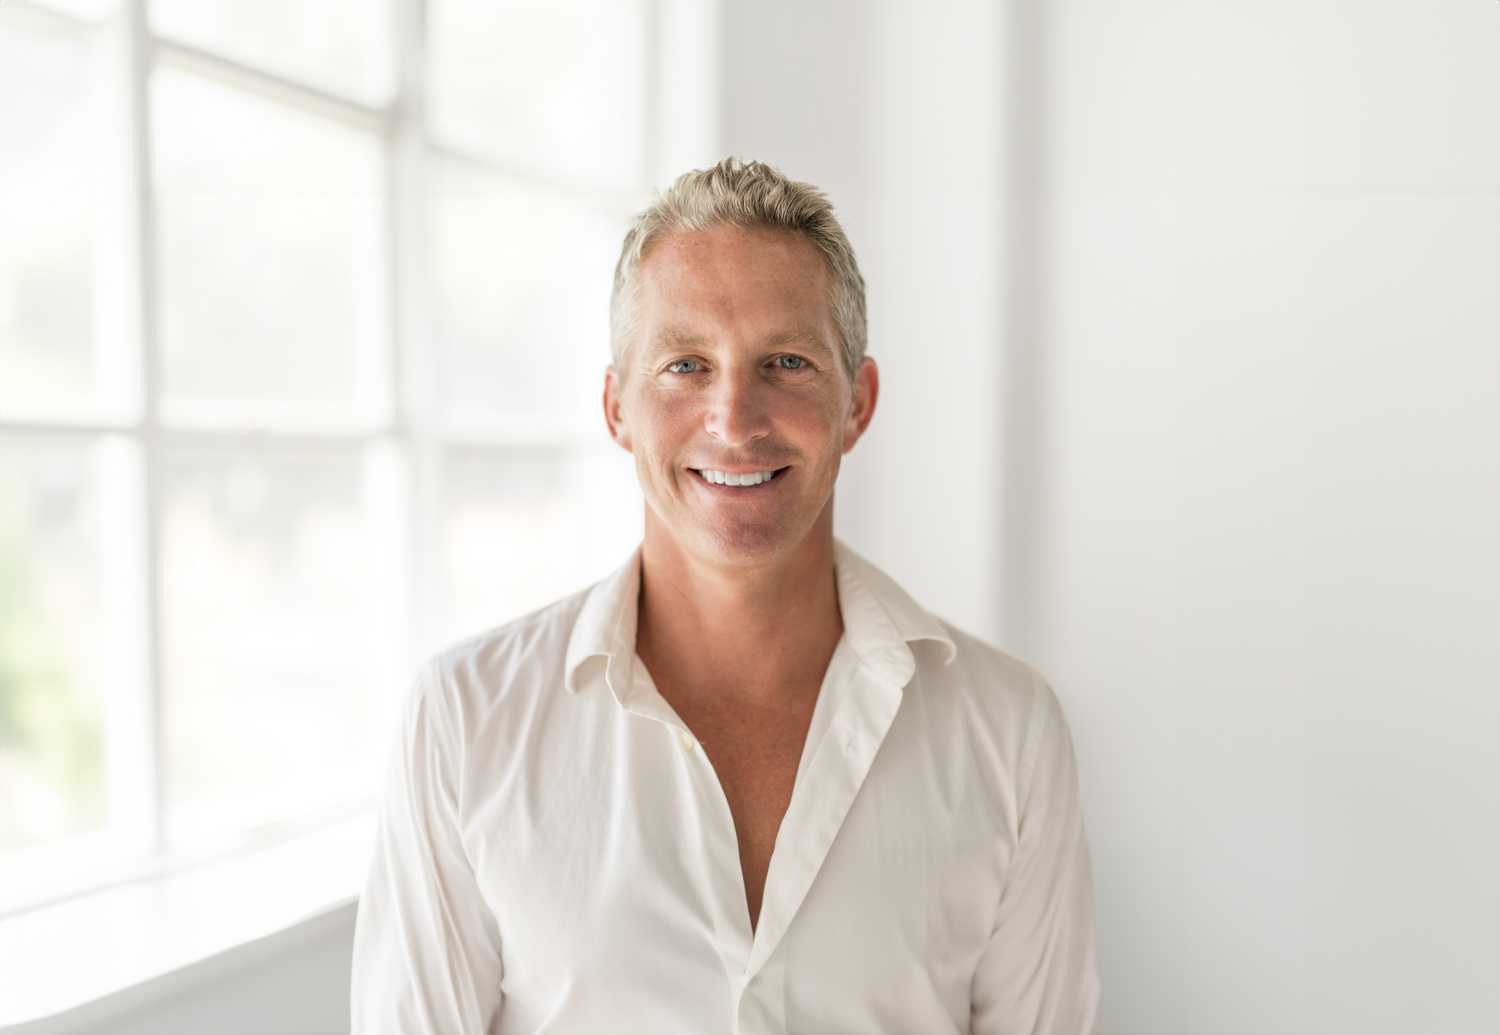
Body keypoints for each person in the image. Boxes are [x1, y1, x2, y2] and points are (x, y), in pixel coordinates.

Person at [351, 158, 1099, 1034]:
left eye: (787, 361)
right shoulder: (464, 723)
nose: (735, 419)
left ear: (857, 402)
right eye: (685, 365)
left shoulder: (1009, 733)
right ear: (616, 406)